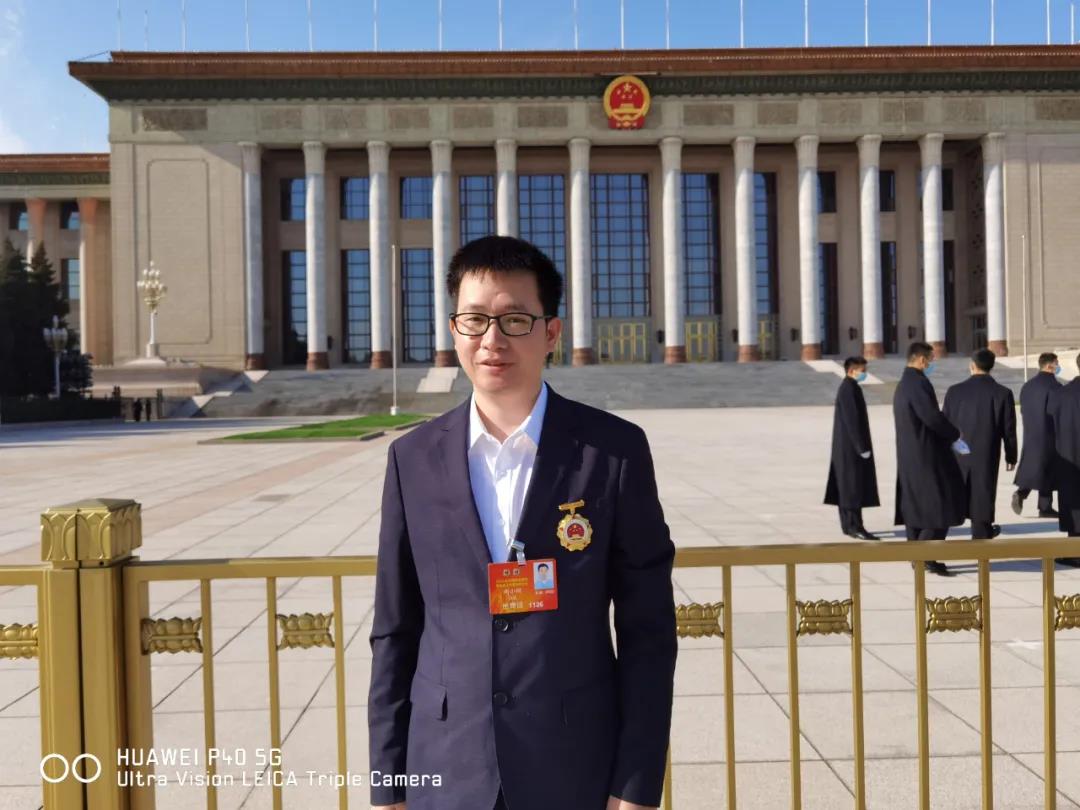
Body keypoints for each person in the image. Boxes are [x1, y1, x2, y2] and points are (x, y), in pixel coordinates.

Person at [368, 236, 677, 810]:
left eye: (514, 320)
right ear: (454, 330)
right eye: (474, 320)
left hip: (573, 765)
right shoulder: (412, 459)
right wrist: (387, 783)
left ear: (551, 333)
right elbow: (395, 629)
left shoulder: (612, 452)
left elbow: (648, 632)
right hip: (445, 765)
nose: (492, 340)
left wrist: (635, 785)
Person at [893, 341, 967, 576]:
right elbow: (932, 417)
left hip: (910, 453)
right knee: (940, 505)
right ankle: (925, 555)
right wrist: (955, 434)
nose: (932, 363)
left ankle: (917, 555)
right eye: (931, 359)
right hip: (926, 454)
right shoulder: (918, 383)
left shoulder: (904, 383)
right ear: (921, 359)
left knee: (917, 506)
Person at [942, 349, 1017, 540]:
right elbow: (1008, 429)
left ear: (972, 365)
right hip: (986, 455)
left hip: (957, 454)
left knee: (953, 495)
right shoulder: (1002, 393)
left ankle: (936, 540)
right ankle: (981, 539)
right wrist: (1011, 455)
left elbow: (944, 424)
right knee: (982, 496)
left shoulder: (954, 391)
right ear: (992, 367)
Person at [824, 356, 880, 540]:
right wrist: (861, 446)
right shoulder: (849, 389)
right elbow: (852, 420)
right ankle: (855, 526)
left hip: (846, 447)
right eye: (862, 370)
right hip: (850, 449)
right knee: (852, 487)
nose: (865, 373)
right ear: (851, 371)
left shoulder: (850, 387)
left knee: (848, 486)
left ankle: (848, 526)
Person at [1013, 352, 1063, 518]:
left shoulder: (1028, 386)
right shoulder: (1055, 387)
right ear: (1049, 365)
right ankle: (1044, 507)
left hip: (1031, 431)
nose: (1058, 366)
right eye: (1056, 363)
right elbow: (1058, 411)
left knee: (1036, 467)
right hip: (1050, 432)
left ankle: (1022, 493)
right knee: (1048, 468)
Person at [1049, 354, 1080, 541]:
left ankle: (1073, 549)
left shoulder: (1061, 394)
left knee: (1073, 504)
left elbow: (1050, 426)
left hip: (1068, 455)